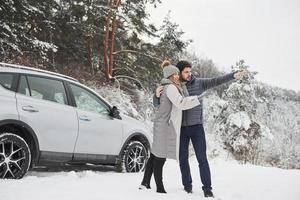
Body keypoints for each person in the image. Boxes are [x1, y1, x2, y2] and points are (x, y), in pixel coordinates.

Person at [154, 60, 245, 197]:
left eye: (190, 71)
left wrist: (232, 76)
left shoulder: (199, 83)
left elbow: (216, 80)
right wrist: (155, 95)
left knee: (202, 159)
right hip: (181, 129)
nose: (189, 74)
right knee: (183, 159)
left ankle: (207, 189)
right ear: (179, 73)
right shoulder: (174, 86)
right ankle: (187, 186)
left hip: (197, 127)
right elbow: (161, 102)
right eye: (186, 72)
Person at [139, 60, 207, 193]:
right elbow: (180, 102)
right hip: (164, 126)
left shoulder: (169, 86)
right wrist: (197, 99)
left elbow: (160, 103)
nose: (177, 76)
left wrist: (156, 96)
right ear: (170, 76)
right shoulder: (170, 87)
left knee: (154, 154)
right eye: (175, 74)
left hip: (162, 124)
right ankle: (160, 189)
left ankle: (145, 182)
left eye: (177, 74)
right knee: (160, 157)